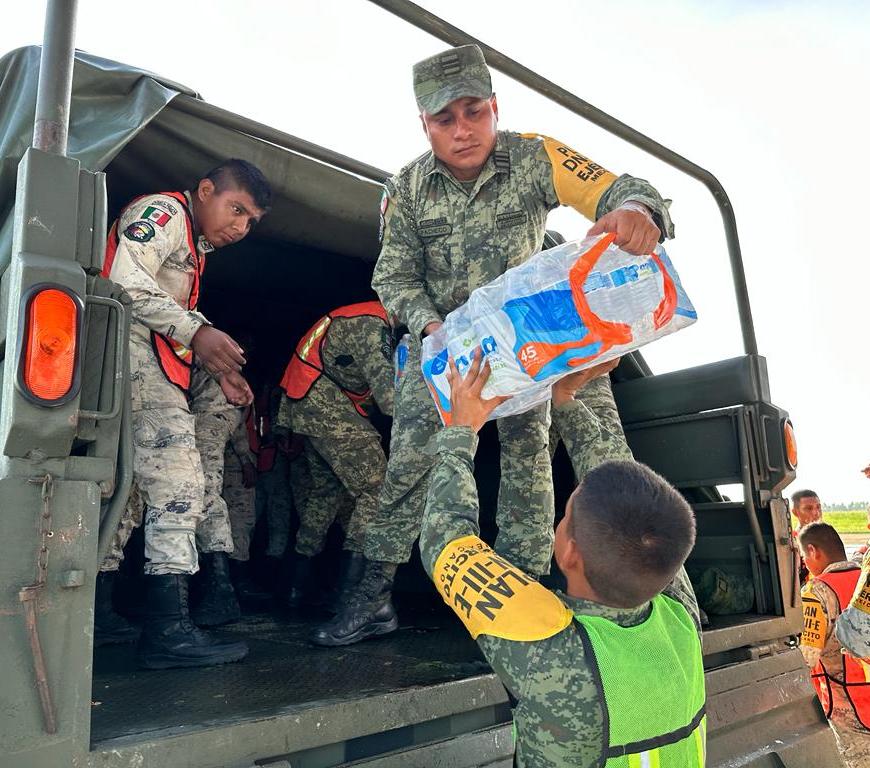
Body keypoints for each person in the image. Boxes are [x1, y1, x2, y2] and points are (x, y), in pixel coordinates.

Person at [318, 43, 675, 646]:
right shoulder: (406, 187)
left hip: (525, 347)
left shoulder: (535, 157)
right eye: (444, 119)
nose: (463, 130)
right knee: (407, 469)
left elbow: (618, 188)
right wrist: (429, 327)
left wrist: (638, 209)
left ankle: (521, 603)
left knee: (527, 468)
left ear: (494, 108)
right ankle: (372, 596)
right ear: (424, 125)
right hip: (441, 351)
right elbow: (393, 277)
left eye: (474, 112)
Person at [418, 350, 704, 767]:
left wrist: (460, 430)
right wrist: (565, 400)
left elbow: (446, 542)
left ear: (569, 552)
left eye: (565, 515)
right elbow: (627, 498)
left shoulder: (551, 652)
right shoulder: (680, 620)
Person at [100, 159, 271, 669]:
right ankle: (168, 631)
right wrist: (197, 333)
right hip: (136, 368)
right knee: (182, 484)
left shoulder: (193, 245)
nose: (241, 227)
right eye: (236, 209)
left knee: (128, 495)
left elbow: (162, 312)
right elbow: (124, 280)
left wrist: (215, 367)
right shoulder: (165, 213)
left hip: (140, 368)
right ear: (205, 190)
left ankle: (98, 614)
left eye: (250, 221)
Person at [275, 302, 394, 612]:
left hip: (312, 407)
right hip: (327, 408)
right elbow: (389, 399)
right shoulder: (372, 324)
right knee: (377, 488)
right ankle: (350, 595)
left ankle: (295, 589)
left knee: (326, 494)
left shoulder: (360, 317)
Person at [798, 523, 870, 766]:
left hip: (850, 709)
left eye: (804, 556)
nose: (806, 563)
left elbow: (807, 657)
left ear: (812, 551)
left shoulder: (815, 592)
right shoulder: (865, 578)